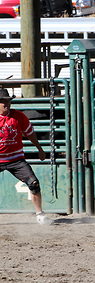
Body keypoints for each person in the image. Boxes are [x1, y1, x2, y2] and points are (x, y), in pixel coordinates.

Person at [0, 89, 52, 225]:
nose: (7, 104)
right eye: (3, 101)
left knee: (34, 183)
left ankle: (40, 214)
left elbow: (30, 133)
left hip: (16, 158)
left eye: (8, 101)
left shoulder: (19, 116)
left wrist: (39, 149)